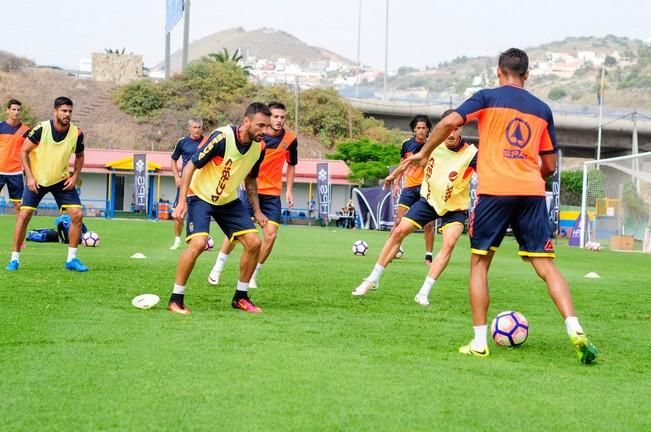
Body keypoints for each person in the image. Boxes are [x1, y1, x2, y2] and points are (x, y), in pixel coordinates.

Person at [404, 48, 597, 363]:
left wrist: (425, 152)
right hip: (532, 193)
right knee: (546, 266)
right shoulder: (542, 109)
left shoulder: (486, 97)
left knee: (480, 264)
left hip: (494, 192)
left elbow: (451, 120)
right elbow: (549, 164)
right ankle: (574, 327)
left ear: (498, 71)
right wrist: (527, 175)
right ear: (527, 74)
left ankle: (479, 342)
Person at [352, 109, 477, 306]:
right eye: (449, 128)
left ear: (461, 129)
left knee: (449, 243)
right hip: (428, 201)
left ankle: (423, 292)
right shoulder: (433, 145)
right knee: (398, 230)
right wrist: (394, 175)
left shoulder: (471, 154)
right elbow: (412, 159)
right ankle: (373, 278)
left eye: (456, 129)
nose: (452, 133)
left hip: (455, 208)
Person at [168, 102, 271, 315]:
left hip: (228, 201)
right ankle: (176, 299)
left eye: (267, 126)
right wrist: (181, 201)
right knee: (198, 243)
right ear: (246, 121)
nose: (264, 131)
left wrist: (258, 211)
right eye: (260, 125)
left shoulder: (259, 148)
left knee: (254, 242)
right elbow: (190, 166)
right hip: (200, 196)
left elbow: (251, 180)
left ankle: (240, 297)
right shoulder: (222, 137)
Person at [208, 101, 298, 289]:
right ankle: (218, 268)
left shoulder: (290, 139)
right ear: (267, 118)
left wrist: (289, 189)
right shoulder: (257, 139)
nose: (279, 120)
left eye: (282, 117)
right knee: (236, 232)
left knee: (271, 235)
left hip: (272, 194)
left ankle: (254, 274)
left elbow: (291, 164)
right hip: (251, 192)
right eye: (275, 116)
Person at [6, 96, 88, 272]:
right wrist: (29, 177)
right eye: (64, 111)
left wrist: (75, 177)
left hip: (60, 180)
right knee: (24, 215)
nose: (67, 114)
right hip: (37, 179)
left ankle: (72, 260)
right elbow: (24, 152)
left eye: (70, 111)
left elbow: (80, 156)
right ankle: (14, 260)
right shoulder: (41, 129)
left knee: (77, 215)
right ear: (55, 111)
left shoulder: (76, 133)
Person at [394, 115, 435, 264]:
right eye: (418, 128)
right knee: (398, 220)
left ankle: (428, 256)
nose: (421, 130)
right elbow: (402, 164)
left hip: (426, 188)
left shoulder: (433, 144)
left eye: (424, 128)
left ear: (428, 129)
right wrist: (397, 182)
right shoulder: (406, 145)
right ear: (414, 129)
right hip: (409, 187)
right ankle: (394, 250)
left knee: (428, 224)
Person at [169, 117, 207, 250]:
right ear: (189, 128)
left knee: (200, 211)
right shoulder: (182, 142)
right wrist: (176, 177)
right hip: (185, 181)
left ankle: (201, 238)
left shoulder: (207, 141)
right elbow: (173, 160)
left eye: (199, 127)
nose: (197, 130)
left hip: (203, 183)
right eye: (194, 127)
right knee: (179, 214)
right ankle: (177, 240)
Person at [0, 99, 29, 219]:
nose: (16, 112)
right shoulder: (0, 126)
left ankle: (19, 237)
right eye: (13, 109)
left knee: (18, 206)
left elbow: (30, 152)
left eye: (18, 110)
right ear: (7, 110)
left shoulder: (26, 130)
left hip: (16, 172)